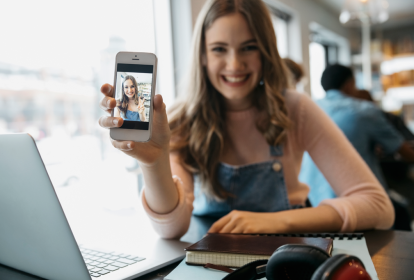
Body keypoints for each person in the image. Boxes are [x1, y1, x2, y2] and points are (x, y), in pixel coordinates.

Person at [98, 0, 394, 239]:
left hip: (286, 258)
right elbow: (172, 228)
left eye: (249, 48)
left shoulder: (295, 109)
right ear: (202, 55)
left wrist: (278, 222)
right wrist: (153, 163)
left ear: (266, 52)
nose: (235, 65)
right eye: (219, 49)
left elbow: (378, 206)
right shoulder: (179, 119)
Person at [299, 65, 414, 226]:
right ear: (349, 84)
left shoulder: (306, 109)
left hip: (311, 202)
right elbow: (406, 153)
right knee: (401, 214)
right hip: (356, 204)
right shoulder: (365, 111)